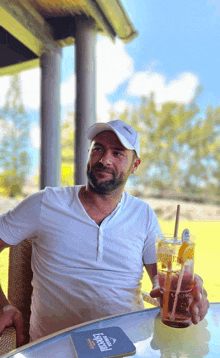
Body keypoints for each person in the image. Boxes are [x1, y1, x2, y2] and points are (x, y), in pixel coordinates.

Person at [0, 120, 209, 345]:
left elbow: (163, 280)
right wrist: (3, 305)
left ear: (135, 165)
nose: (104, 160)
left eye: (118, 153)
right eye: (98, 148)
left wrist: (187, 290)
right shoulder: (46, 203)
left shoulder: (143, 214)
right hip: (54, 353)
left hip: (127, 348)